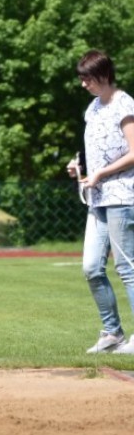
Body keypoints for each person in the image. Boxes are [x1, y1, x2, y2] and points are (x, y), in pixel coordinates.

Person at [67, 50, 134, 354]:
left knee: (126, 268)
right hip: (97, 199)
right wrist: (78, 165)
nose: (83, 84)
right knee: (91, 267)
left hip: (122, 195)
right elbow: (94, 148)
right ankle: (112, 333)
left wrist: (101, 173)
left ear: (104, 75)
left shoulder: (125, 104)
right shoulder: (92, 108)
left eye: (87, 78)